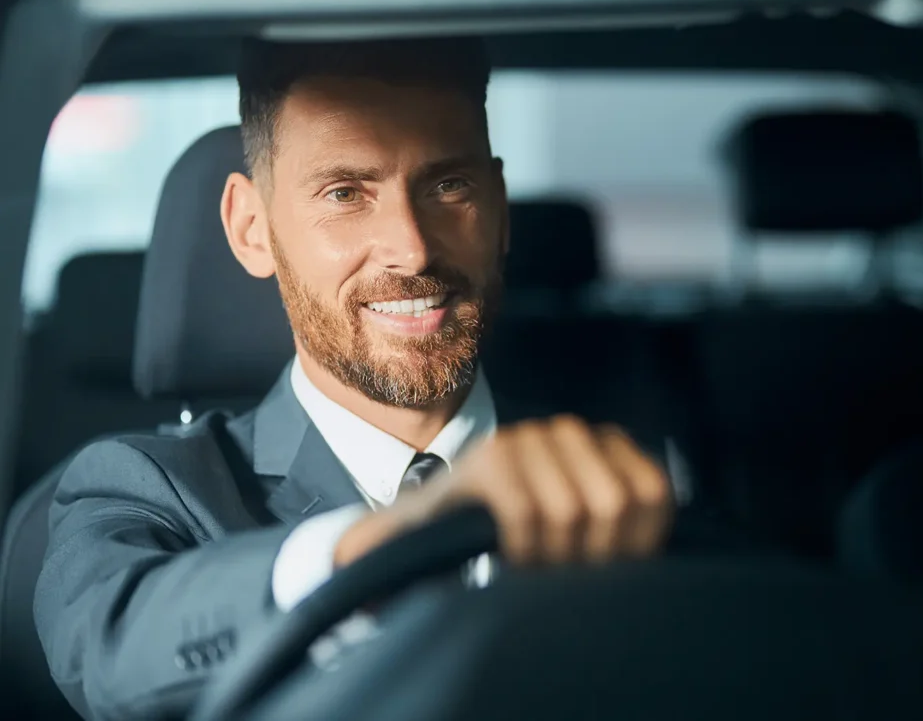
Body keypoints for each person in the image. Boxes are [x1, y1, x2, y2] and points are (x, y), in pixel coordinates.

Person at [34, 36, 683, 721]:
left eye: (448, 185)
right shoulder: (152, 488)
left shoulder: (628, 471)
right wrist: (391, 541)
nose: (412, 247)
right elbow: (111, 642)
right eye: (346, 193)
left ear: (498, 209)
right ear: (252, 228)